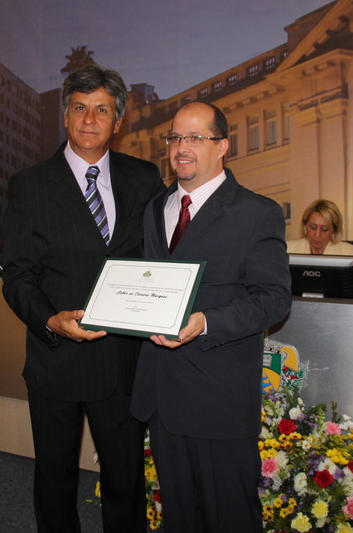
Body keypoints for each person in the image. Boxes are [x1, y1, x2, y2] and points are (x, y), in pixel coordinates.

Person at [1, 65, 164, 533]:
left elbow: (160, 258)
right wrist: (50, 321)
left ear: (118, 122)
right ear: (65, 116)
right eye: (79, 108)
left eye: (102, 110)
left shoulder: (144, 178)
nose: (89, 119)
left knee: (125, 482)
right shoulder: (30, 185)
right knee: (55, 480)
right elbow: (17, 276)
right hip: (58, 360)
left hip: (124, 363)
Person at [130, 102, 292, 533]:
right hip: (164, 397)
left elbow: (274, 300)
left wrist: (206, 321)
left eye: (195, 138)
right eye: (175, 138)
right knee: (179, 520)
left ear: (223, 146)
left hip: (218, 400)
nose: (181, 148)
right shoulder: (156, 209)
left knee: (231, 520)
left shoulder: (257, 212)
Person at [287, 199, 353, 298]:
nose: (317, 235)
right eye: (313, 227)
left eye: (324, 229)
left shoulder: (347, 252)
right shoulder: (288, 249)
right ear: (305, 226)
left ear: (334, 230)